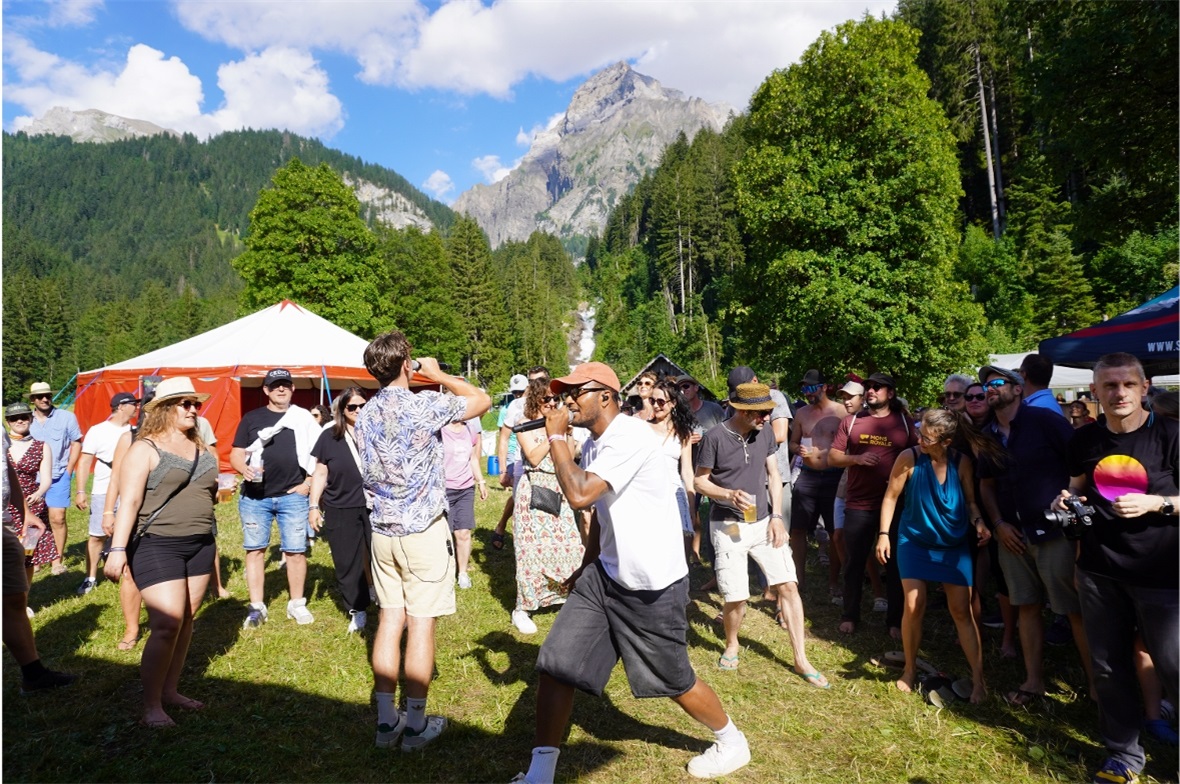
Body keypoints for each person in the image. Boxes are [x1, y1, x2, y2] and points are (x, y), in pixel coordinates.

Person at [513, 362, 750, 783]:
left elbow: (582, 495)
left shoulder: (631, 436)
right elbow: (603, 514)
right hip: (605, 577)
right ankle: (540, 772)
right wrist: (587, 565)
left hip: (651, 586)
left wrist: (554, 437)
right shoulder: (596, 442)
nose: (566, 401)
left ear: (605, 395)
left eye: (574, 392)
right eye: (562, 393)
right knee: (556, 665)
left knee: (674, 680)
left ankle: (731, 741)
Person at [354, 331, 490, 751]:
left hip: (382, 532)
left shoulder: (364, 414)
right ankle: (414, 726)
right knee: (421, 624)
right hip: (422, 532)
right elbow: (481, 399)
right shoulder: (423, 404)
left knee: (390, 619)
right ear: (405, 364)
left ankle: (384, 722)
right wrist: (439, 374)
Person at [1058, 352, 1178, 784]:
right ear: (1095, 392)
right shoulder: (1084, 442)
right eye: (1109, 385)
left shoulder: (1171, 435)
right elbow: (1075, 488)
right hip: (1100, 570)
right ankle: (1123, 757)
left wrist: (1157, 503)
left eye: (1128, 384)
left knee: (1173, 664)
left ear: (1144, 388)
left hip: (1163, 574)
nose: (1119, 392)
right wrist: (1065, 501)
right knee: (1108, 666)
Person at [694, 382, 828, 686]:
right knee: (736, 595)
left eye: (769, 412)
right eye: (762, 413)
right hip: (728, 523)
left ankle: (801, 659)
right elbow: (700, 483)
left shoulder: (764, 431)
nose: (768, 418)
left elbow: (774, 474)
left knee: (789, 587)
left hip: (763, 520)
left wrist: (777, 517)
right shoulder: (714, 438)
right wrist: (728, 495)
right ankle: (732, 643)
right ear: (741, 410)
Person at [976, 364, 1094, 707]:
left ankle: (1098, 688)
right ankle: (1033, 681)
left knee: (1073, 610)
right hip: (1012, 536)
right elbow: (986, 485)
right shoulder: (988, 435)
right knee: (1026, 606)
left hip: (1053, 533)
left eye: (998, 382)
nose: (990, 388)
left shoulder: (1045, 421)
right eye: (986, 385)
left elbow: (1081, 466)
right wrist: (997, 524)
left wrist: (1071, 506)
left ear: (1018, 388)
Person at [103, 377, 217, 728]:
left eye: (195, 404)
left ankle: (170, 691)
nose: (193, 409)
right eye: (185, 403)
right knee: (167, 624)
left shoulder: (200, 445)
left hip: (200, 542)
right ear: (165, 408)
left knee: (184, 622)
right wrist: (118, 549)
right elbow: (131, 500)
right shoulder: (144, 448)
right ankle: (151, 705)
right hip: (156, 542)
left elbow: (209, 490)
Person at [875, 409, 992, 703]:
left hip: (953, 546)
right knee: (913, 605)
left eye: (926, 436)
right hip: (914, 542)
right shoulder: (909, 458)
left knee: (961, 611)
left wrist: (979, 522)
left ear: (947, 440)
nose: (919, 439)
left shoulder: (962, 463)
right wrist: (883, 534)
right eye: (920, 432)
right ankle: (910, 670)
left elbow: (971, 502)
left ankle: (979, 679)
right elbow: (890, 496)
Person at [230, 368, 323, 629]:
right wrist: (243, 468)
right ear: (266, 391)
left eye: (285, 385)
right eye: (275, 386)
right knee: (255, 550)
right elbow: (235, 453)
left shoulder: (303, 418)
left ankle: (297, 603)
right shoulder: (252, 418)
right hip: (255, 498)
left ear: (293, 389)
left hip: (292, 496)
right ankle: (256, 606)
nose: (281, 389)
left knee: (296, 551)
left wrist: (307, 483)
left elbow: (319, 455)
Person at [828, 372, 917, 636]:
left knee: (895, 563)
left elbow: (918, 455)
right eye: (868, 387)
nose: (870, 391)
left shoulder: (903, 421)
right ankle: (850, 615)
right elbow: (833, 457)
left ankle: (894, 621)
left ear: (890, 393)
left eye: (877, 387)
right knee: (855, 561)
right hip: (859, 503)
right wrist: (857, 459)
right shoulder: (853, 420)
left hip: (897, 504)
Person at [4, 430, 76, 694]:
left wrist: (24, 511)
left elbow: (6, 467)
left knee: (14, 599)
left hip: (5, 522)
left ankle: (33, 676)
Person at [509, 379, 584, 634]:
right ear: (535, 402)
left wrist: (566, 434)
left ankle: (565, 597)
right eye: (546, 400)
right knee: (531, 553)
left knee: (571, 547)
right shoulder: (524, 425)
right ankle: (523, 608)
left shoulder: (560, 426)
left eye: (555, 400)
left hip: (559, 490)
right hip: (534, 493)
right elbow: (533, 456)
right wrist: (554, 434)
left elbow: (572, 456)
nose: (552, 404)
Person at [309, 388, 374, 634]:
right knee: (347, 560)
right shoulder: (329, 437)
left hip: (377, 505)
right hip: (340, 506)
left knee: (381, 555)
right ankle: (357, 610)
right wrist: (314, 505)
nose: (358, 411)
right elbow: (321, 472)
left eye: (362, 406)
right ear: (341, 410)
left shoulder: (377, 433)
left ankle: (385, 598)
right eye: (352, 407)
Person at [73, 392, 137, 595]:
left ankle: (128, 571)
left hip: (130, 488)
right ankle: (90, 577)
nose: (136, 407)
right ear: (120, 406)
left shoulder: (135, 431)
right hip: (103, 489)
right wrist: (81, 491)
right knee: (97, 536)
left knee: (130, 532)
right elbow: (84, 461)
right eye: (133, 404)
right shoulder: (98, 431)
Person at [788, 369, 845, 596]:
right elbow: (792, 443)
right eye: (804, 389)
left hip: (834, 476)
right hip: (808, 476)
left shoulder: (841, 412)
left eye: (811, 388)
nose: (807, 392)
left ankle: (834, 582)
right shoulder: (802, 414)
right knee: (798, 529)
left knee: (835, 532)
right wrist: (798, 449)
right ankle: (798, 581)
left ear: (824, 387)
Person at [27, 382, 81, 576]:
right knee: (32, 520)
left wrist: (69, 470)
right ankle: (32, 559)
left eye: (47, 395)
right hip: (32, 479)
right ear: (32, 399)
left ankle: (57, 560)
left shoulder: (67, 417)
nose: (45, 399)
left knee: (57, 518)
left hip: (58, 475)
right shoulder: (26, 420)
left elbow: (76, 443)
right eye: (40, 396)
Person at [493, 368, 550, 550]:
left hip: (550, 468)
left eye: (540, 381)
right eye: (532, 382)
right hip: (522, 464)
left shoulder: (553, 403)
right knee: (522, 506)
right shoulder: (517, 406)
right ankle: (523, 550)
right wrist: (503, 470)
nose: (536, 386)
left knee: (548, 508)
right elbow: (503, 438)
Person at [5, 403, 59, 584]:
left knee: (28, 555)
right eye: (14, 418)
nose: (19, 420)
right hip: (6, 505)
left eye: (24, 417)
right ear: (7, 422)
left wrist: (39, 492)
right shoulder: (3, 446)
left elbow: (46, 479)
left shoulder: (42, 446)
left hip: (32, 506)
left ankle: (25, 596)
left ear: (31, 419)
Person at [649, 379, 697, 560]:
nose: (656, 405)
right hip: (650, 491)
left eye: (661, 402)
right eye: (652, 401)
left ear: (673, 403)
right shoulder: (642, 428)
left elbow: (687, 471)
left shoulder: (682, 433)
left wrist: (692, 505)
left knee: (680, 541)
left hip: (674, 490)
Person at [441, 405, 487, 591]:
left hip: (466, 488)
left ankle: (462, 573)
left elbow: (473, 458)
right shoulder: (441, 430)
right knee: (444, 535)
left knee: (463, 532)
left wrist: (481, 481)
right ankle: (444, 574)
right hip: (444, 488)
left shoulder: (470, 429)